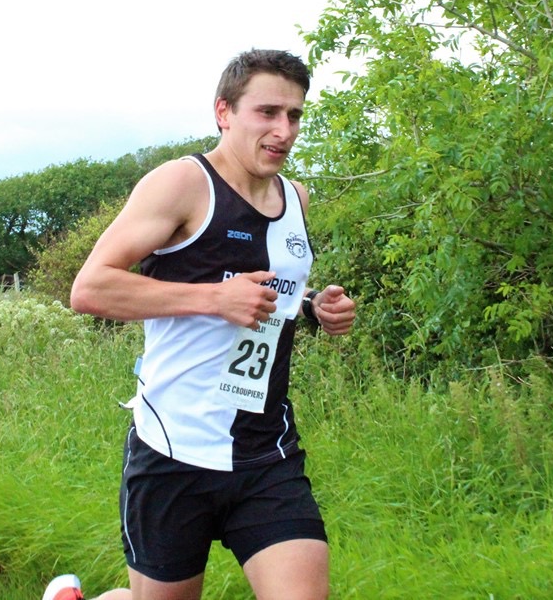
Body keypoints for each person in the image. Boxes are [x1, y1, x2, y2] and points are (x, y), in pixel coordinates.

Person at [43, 48, 356, 600]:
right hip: (174, 447)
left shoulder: (296, 198)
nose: (284, 130)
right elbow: (89, 289)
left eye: (295, 115)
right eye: (267, 112)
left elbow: (270, 291)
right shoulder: (184, 184)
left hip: (265, 449)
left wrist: (311, 306)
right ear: (224, 112)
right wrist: (214, 299)